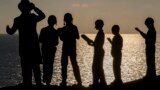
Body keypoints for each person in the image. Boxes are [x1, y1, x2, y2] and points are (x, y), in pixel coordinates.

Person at [6, 0, 45, 86]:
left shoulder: (18, 20)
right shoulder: (32, 17)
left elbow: (11, 32)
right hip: (34, 45)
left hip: (24, 46)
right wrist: (35, 8)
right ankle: (38, 82)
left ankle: (26, 82)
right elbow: (43, 16)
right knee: (35, 65)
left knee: (25, 65)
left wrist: (7, 29)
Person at [58, 13, 82, 86]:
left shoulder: (64, 29)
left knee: (65, 65)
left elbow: (62, 39)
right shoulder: (74, 27)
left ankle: (64, 81)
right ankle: (79, 82)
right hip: (71, 48)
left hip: (66, 48)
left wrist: (60, 33)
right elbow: (78, 37)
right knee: (73, 64)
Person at [82, 19, 107, 87]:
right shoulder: (100, 33)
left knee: (96, 67)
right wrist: (91, 43)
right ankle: (100, 82)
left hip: (99, 52)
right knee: (98, 67)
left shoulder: (100, 33)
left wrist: (90, 42)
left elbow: (98, 44)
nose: (95, 26)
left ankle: (97, 83)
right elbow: (97, 44)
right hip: (99, 52)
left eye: (96, 24)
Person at [39, 15, 59, 86]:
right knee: (50, 65)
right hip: (51, 50)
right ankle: (48, 81)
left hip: (45, 49)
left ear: (48, 21)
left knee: (45, 64)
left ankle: (45, 79)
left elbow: (40, 40)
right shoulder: (55, 31)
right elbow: (56, 42)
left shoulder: (43, 30)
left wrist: (46, 42)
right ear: (55, 22)